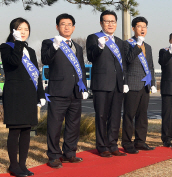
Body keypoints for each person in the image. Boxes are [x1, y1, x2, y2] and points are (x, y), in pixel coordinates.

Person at [41, 13, 87, 168]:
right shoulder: (48, 43)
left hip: (76, 91)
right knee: (54, 125)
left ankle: (69, 153)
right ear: (57, 27)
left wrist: (84, 87)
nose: (66, 27)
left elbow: (80, 68)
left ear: (73, 28)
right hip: (58, 91)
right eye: (63, 24)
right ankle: (54, 155)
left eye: (69, 24)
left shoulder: (79, 47)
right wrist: (55, 46)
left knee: (74, 125)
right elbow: (46, 60)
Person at [0, 17, 45, 177]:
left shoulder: (31, 51)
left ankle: (22, 165)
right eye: (20, 28)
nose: (23, 32)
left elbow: (37, 75)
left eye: (26, 29)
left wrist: (40, 94)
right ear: (13, 30)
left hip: (29, 94)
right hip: (14, 94)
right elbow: (12, 62)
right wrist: (18, 43)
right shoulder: (6, 47)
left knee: (27, 129)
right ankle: (13, 165)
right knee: (15, 130)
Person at [87, 10, 133, 157]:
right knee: (101, 116)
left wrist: (124, 80)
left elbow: (123, 64)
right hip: (101, 84)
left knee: (115, 116)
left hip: (118, 84)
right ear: (101, 23)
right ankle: (102, 146)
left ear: (116, 23)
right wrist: (99, 47)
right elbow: (91, 57)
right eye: (107, 21)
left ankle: (113, 144)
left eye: (113, 21)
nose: (110, 24)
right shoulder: (93, 38)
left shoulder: (119, 42)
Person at [121, 16, 157, 154]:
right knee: (129, 115)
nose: (142, 29)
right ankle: (127, 143)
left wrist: (153, 83)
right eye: (139, 26)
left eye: (144, 27)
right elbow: (128, 60)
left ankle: (140, 142)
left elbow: (151, 66)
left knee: (142, 116)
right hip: (132, 84)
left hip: (145, 85)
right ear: (133, 28)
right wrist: (137, 46)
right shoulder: (126, 44)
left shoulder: (148, 46)